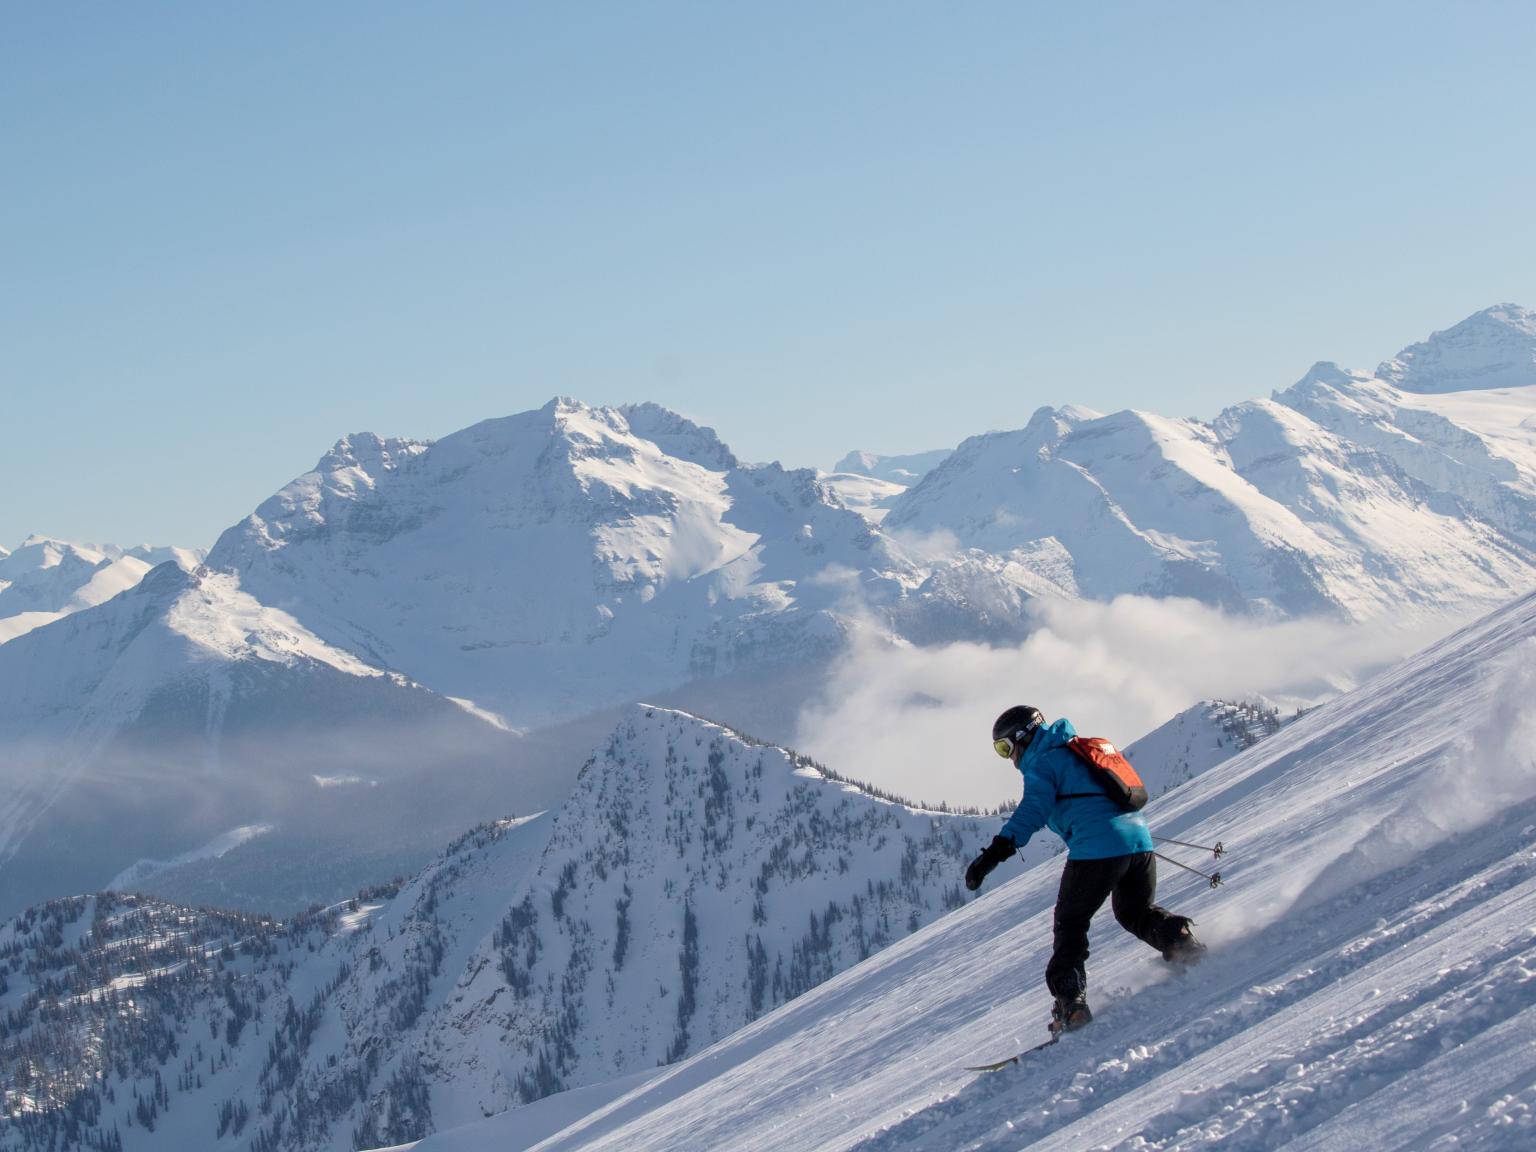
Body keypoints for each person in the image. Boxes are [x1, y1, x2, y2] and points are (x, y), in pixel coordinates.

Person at [965, 704, 1204, 1034]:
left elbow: (1032, 811)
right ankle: (1180, 943)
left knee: (1070, 924)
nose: (1009, 758)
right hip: (1140, 843)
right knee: (1135, 911)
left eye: (1005, 748)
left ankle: (1071, 1005)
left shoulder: (1043, 762)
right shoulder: (1078, 751)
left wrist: (991, 857)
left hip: (1097, 849)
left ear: (1023, 738)